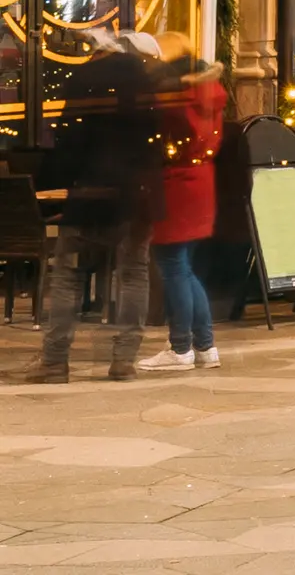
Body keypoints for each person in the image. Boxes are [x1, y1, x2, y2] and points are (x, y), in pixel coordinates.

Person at [30, 41, 163, 385]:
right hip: (135, 195)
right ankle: (123, 360)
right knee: (133, 273)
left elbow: (68, 139)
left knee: (67, 275)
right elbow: (157, 141)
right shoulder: (146, 83)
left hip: (89, 193)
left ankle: (56, 361)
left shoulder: (83, 79)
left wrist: (53, 183)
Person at [141, 42, 226, 374]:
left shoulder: (176, 101)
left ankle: (180, 348)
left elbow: (157, 139)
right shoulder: (209, 96)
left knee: (173, 266)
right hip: (201, 181)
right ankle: (205, 346)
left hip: (176, 183)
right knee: (184, 267)